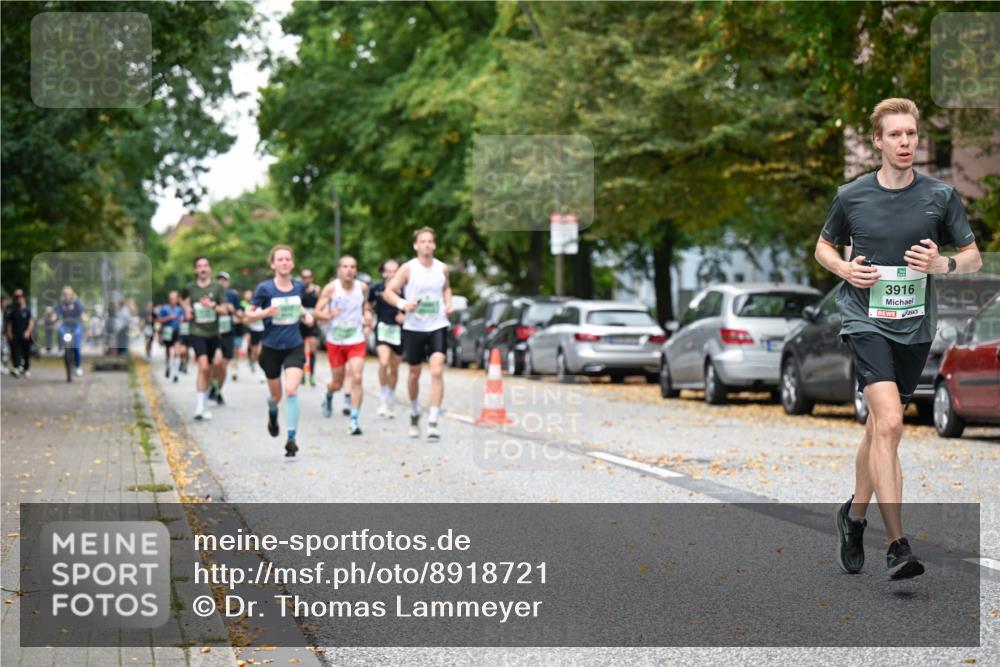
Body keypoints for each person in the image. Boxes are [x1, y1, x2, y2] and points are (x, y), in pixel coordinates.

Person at [816, 98, 981, 581]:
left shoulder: (940, 195)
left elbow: (971, 256)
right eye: (896, 135)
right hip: (864, 319)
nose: (905, 142)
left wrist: (942, 264)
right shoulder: (852, 196)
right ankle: (896, 545)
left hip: (914, 327)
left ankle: (853, 517)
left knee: (878, 431)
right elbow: (823, 248)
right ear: (878, 141)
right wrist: (845, 267)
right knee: (888, 422)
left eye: (911, 134)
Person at [384, 227, 454, 441]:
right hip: (414, 327)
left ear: (434, 245)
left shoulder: (442, 268)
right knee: (414, 373)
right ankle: (415, 411)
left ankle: (433, 419)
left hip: (437, 324)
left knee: (436, 371)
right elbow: (389, 291)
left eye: (430, 241)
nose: (426, 245)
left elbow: (446, 288)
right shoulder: (408, 269)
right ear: (416, 245)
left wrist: (449, 304)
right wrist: (404, 304)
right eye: (422, 241)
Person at [245, 245, 315, 456]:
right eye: (280, 259)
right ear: (273, 264)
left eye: (287, 259)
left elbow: (298, 305)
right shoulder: (264, 289)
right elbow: (249, 314)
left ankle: (291, 438)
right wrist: (266, 312)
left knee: (292, 390)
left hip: (294, 345)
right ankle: (273, 412)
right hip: (271, 348)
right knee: (276, 396)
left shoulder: (298, 287)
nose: (284, 262)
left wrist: (306, 316)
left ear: (292, 263)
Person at [316, 256, 372, 435]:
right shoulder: (331, 288)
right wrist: (329, 315)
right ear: (339, 269)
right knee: (337, 383)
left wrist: (368, 315)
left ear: (356, 270)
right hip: (336, 341)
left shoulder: (362, 287)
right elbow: (317, 313)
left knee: (356, 377)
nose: (349, 270)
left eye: (353, 267)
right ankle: (329, 394)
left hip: (356, 340)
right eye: (345, 267)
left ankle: (354, 421)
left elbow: (366, 306)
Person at [183, 257, 228, 421]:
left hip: (213, 333)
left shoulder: (217, 287)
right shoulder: (190, 288)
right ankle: (200, 407)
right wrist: (187, 310)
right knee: (203, 367)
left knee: (212, 367)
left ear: (210, 268)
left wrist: (212, 306)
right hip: (197, 331)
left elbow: (224, 309)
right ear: (195, 270)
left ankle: (206, 400)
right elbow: (184, 301)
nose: (202, 269)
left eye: (205, 266)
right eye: (199, 266)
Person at [368, 258, 405, 418]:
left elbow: (415, 305)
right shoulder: (376, 288)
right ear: (383, 272)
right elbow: (367, 305)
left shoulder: (406, 289)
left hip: (399, 331)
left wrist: (404, 315)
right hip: (383, 328)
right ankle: (383, 395)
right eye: (388, 271)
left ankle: (390, 395)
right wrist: (367, 314)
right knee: (383, 361)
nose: (391, 274)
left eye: (394, 271)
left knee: (394, 367)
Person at [210, 271, 242, 405]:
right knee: (215, 363)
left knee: (223, 366)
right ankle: (212, 386)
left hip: (228, 333)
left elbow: (241, 314)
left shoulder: (232, 295)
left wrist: (233, 309)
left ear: (228, 282)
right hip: (214, 333)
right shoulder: (211, 295)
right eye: (219, 280)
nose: (222, 282)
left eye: (224, 280)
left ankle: (217, 391)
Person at [298, 268, 322, 388]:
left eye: (309, 277)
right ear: (301, 278)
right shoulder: (298, 290)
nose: (306, 280)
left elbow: (321, 304)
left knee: (313, 347)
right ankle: (301, 376)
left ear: (311, 278)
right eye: (304, 277)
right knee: (300, 349)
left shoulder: (316, 290)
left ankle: (311, 376)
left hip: (313, 322)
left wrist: (317, 316)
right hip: (300, 322)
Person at [5, 289, 34, 377]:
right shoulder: (12, 309)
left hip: (25, 334)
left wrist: (28, 331)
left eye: (21, 297)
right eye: (17, 297)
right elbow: (9, 322)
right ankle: (16, 367)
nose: (19, 299)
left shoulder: (27, 310)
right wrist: (9, 333)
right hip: (15, 334)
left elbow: (31, 321)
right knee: (16, 351)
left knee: (26, 352)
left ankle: (26, 368)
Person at [56, 286, 85, 376]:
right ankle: (61, 348)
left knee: (76, 346)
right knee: (60, 330)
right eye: (65, 294)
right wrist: (53, 317)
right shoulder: (61, 304)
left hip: (75, 325)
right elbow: (56, 313)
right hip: (65, 325)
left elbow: (82, 313)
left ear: (71, 295)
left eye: (68, 294)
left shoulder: (76, 303)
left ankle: (78, 366)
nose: (66, 296)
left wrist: (83, 317)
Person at [157, 291, 185, 382]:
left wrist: (181, 319)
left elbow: (183, 318)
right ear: (169, 299)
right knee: (169, 351)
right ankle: (168, 365)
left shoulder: (179, 309)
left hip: (177, 331)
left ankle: (175, 373)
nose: (173, 300)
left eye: (174, 298)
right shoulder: (164, 308)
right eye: (171, 298)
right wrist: (169, 318)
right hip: (167, 331)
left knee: (177, 352)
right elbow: (159, 320)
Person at [243, 288, 264, 379]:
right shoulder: (250, 306)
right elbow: (245, 320)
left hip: (263, 330)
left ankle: (260, 367)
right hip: (253, 330)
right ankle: (253, 362)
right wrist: (254, 318)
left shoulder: (264, 305)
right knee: (254, 350)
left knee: (260, 351)